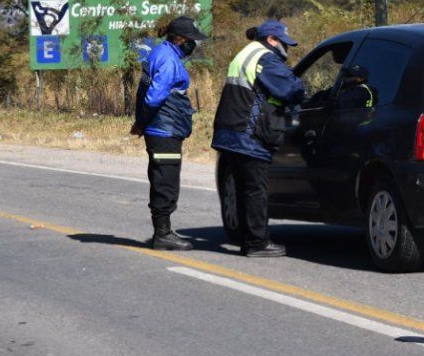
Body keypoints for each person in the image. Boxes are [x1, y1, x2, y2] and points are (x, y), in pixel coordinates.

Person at [211, 20, 305, 257]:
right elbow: (291, 89)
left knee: (244, 189)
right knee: (255, 191)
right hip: (249, 135)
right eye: (284, 43)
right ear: (271, 40)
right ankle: (257, 243)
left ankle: (248, 239)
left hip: (231, 132)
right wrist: (301, 89)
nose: (286, 48)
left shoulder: (247, 53)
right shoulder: (265, 58)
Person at [130, 16, 208, 251]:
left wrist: (141, 123)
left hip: (162, 128)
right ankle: (163, 234)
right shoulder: (168, 59)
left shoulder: (160, 52)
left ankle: (163, 232)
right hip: (164, 129)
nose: (194, 45)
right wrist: (142, 122)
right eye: (191, 40)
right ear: (180, 39)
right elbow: (154, 97)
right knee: (166, 181)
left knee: (162, 177)